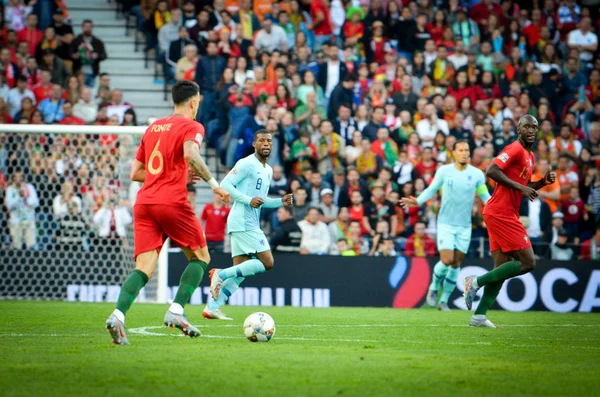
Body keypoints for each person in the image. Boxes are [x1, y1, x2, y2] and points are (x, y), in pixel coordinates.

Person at [105, 80, 231, 345]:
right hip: (171, 202)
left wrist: (180, 174)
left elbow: (136, 173)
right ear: (194, 102)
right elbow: (190, 153)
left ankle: (118, 316)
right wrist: (214, 185)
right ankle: (176, 311)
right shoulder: (192, 126)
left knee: (144, 269)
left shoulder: (153, 127)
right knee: (201, 256)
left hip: (145, 202)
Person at [463, 115, 557, 328]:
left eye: (534, 126)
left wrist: (541, 182)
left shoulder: (530, 156)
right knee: (528, 262)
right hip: (501, 213)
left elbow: (524, 186)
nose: (531, 130)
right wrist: (520, 187)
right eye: (527, 126)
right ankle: (475, 282)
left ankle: (478, 316)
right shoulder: (514, 149)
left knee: (503, 267)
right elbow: (492, 170)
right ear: (519, 129)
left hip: (503, 212)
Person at [207, 129, 294, 320]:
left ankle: (213, 306)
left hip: (248, 221)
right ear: (254, 143)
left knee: (241, 271)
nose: (266, 144)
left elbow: (261, 200)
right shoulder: (246, 163)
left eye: (269, 141)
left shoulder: (268, 170)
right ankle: (220, 275)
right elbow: (225, 184)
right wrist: (247, 200)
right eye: (262, 140)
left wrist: (281, 202)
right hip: (242, 219)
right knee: (267, 262)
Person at [401, 140, 490, 311]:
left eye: (466, 150)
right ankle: (434, 287)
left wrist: (496, 209)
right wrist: (418, 200)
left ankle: (443, 301)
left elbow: (485, 196)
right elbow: (432, 189)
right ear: (453, 153)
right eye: (460, 150)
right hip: (446, 224)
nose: (464, 153)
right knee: (447, 259)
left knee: (456, 263)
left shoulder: (477, 174)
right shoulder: (444, 171)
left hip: (464, 226)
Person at [5, 170, 39, 249]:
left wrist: (26, 196)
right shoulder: (10, 190)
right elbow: (9, 206)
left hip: (29, 220)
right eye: (16, 177)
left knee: (31, 246)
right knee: (17, 247)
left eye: (21, 177)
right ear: (13, 178)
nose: (19, 179)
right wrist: (19, 197)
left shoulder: (30, 187)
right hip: (16, 221)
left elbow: (35, 203)